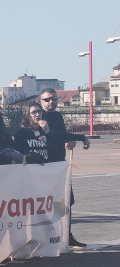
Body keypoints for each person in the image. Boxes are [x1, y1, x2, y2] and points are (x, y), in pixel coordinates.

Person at [39, 88, 91, 247]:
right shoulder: (39, 117)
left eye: (53, 99)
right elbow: (56, 136)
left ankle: (67, 235)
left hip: (59, 163)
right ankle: (45, 236)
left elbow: (61, 135)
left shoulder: (57, 116)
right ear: (41, 101)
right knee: (45, 203)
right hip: (45, 165)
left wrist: (72, 138)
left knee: (67, 200)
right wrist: (80, 137)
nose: (51, 102)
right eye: (47, 99)